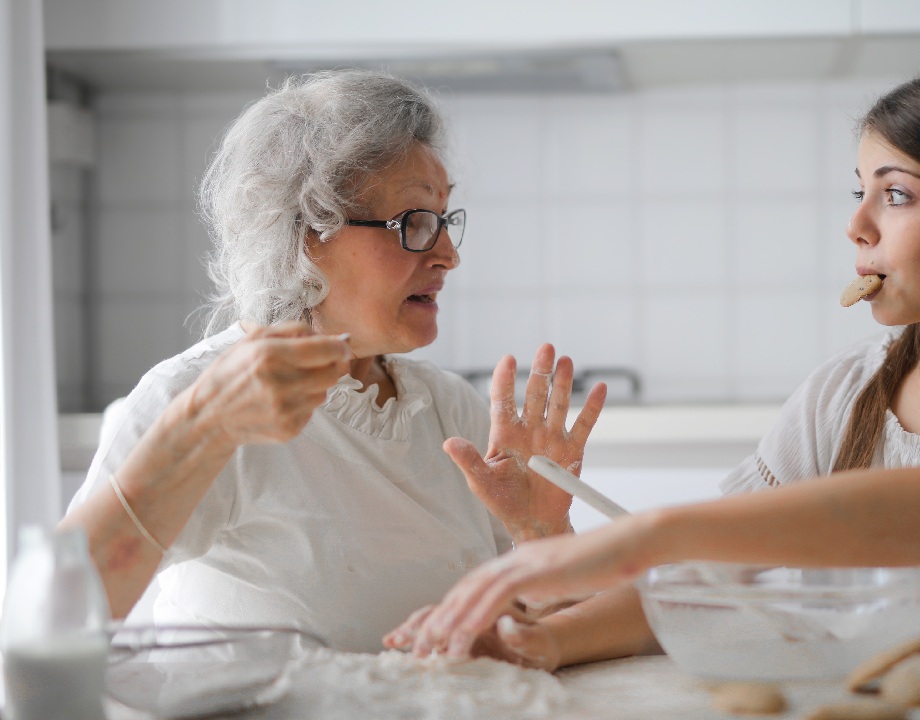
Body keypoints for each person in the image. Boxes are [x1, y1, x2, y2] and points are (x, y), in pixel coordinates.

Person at [386, 61, 920, 664]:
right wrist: (546, 640)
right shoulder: (846, 394)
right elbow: (715, 578)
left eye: (895, 193)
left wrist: (654, 530)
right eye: (858, 191)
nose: (856, 226)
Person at [59, 70, 605, 652]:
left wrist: (541, 532)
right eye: (414, 223)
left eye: (445, 221)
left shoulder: (450, 411)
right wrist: (199, 429)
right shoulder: (195, 395)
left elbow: (532, 640)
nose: (448, 254)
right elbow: (59, 614)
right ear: (303, 234)